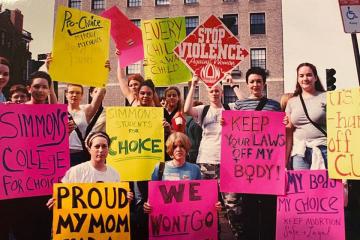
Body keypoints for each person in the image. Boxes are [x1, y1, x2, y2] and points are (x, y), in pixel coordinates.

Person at [226, 67, 281, 240]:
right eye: (252, 82)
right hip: (247, 164)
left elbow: (278, 132)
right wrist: (225, 122)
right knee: (248, 204)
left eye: (259, 81)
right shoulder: (239, 106)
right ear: (247, 84)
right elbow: (234, 132)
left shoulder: (274, 105)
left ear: (264, 83)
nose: (255, 85)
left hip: (269, 165)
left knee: (268, 205)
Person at [47, 131, 133, 205]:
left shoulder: (115, 174)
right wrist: (56, 201)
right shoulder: (76, 171)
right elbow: (63, 195)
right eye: (97, 146)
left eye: (104, 146)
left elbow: (118, 202)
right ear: (89, 149)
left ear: (108, 149)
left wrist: (125, 199)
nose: (100, 150)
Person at [143, 132, 221, 213]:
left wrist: (213, 205)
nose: (178, 149)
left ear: (186, 149)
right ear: (170, 149)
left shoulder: (195, 169)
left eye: (182, 146)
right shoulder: (159, 168)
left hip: (188, 217)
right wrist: (148, 205)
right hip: (166, 217)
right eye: (174, 146)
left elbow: (201, 196)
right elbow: (153, 194)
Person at [285, 62, 327, 170]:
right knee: (301, 187)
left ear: (315, 78)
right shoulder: (291, 102)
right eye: (301, 75)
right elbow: (289, 132)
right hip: (299, 152)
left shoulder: (327, 97)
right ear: (298, 79)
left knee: (326, 186)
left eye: (309, 75)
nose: (305, 78)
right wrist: (285, 160)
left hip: (324, 150)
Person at [67, 84, 106, 166]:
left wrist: (103, 77)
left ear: (82, 96)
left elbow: (99, 95)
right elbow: (51, 93)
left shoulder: (86, 112)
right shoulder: (59, 111)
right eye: (71, 92)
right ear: (66, 94)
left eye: (78, 93)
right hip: (61, 154)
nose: (74, 95)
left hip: (79, 154)